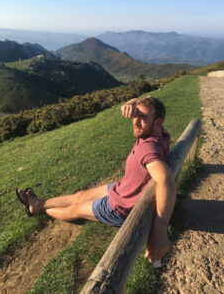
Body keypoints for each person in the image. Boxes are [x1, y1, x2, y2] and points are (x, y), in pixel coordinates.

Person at [16, 95, 176, 263]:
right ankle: (38, 203)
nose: (135, 122)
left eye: (142, 118)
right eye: (135, 115)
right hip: (123, 189)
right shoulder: (162, 133)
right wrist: (130, 104)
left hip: (121, 207)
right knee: (79, 195)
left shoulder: (147, 148)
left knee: (76, 208)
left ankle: (38, 207)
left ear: (158, 122)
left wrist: (160, 230)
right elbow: (139, 104)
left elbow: (166, 181)